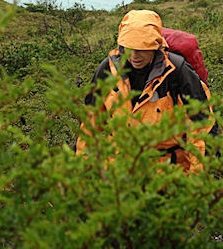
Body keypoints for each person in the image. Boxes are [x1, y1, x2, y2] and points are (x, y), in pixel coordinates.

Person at [76, 9, 213, 173]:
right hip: (119, 172)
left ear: (155, 46)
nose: (134, 55)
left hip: (168, 174)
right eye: (128, 48)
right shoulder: (108, 70)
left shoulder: (177, 72)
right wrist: (81, 174)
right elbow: (89, 125)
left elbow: (199, 130)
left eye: (141, 49)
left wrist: (196, 182)